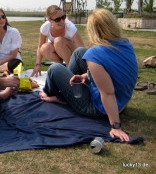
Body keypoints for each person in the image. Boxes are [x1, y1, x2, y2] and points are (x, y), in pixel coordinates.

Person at [39, 8, 138, 142]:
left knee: (55, 68)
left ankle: (53, 94)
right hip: (121, 102)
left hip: (98, 109)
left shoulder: (95, 54)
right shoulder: (126, 44)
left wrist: (116, 126)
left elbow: (108, 93)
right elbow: (111, 70)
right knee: (80, 51)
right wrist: (87, 75)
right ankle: (66, 92)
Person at [31, 5, 84, 77]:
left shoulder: (70, 27)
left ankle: (70, 69)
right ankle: (61, 67)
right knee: (44, 48)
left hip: (72, 52)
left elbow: (81, 49)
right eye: (57, 19)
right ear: (50, 20)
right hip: (58, 51)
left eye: (63, 17)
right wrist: (38, 64)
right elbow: (40, 46)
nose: (62, 21)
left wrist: (86, 68)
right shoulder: (45, 27)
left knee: (58, 41)